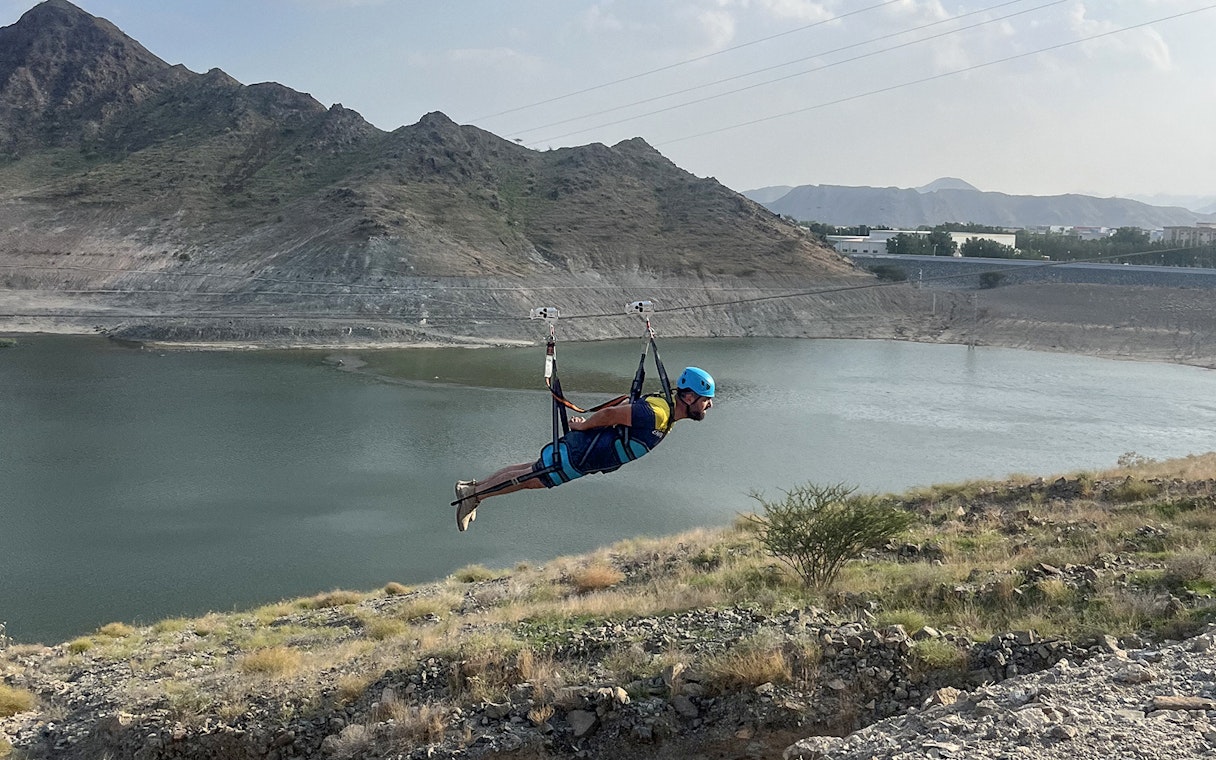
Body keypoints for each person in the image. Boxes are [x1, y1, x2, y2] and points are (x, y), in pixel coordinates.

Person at [454, 366, 715, 531]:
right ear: (689, 397)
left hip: (587, 452)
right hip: (583, 454)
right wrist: (585, 425)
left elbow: (625, 405)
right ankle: (473, 496)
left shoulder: (665, 409)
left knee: (530, 469)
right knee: (530, 479)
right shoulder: (658, 414)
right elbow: (614, 413)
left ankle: (473, 490)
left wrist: (588, 425)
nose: (709, 406)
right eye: (706, 401)